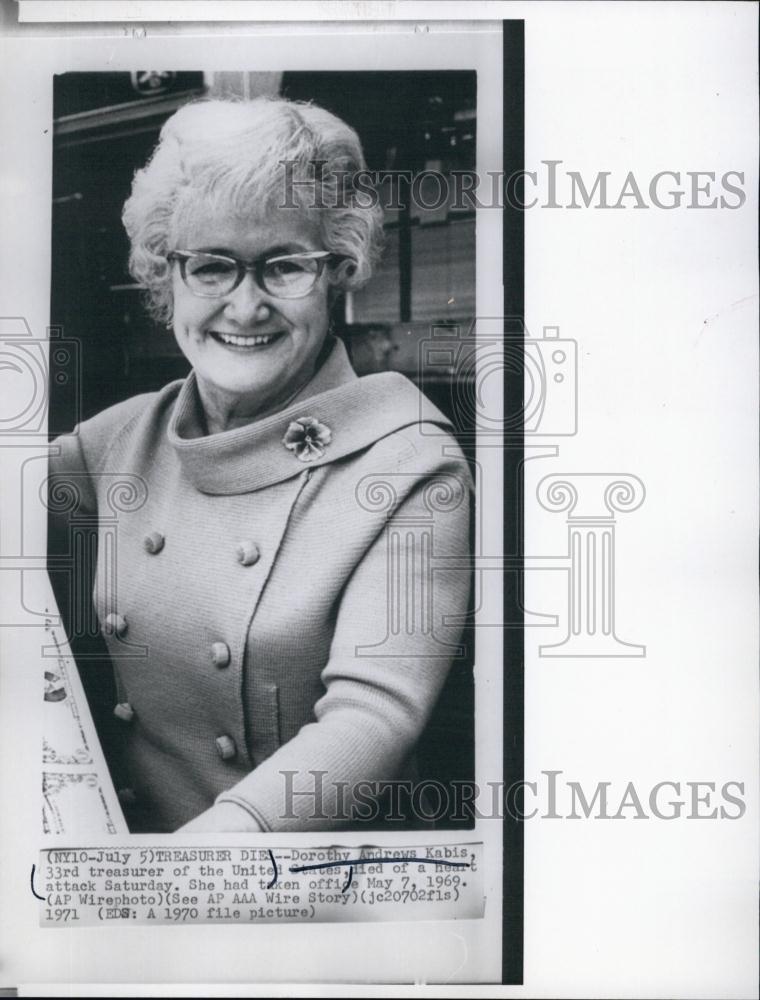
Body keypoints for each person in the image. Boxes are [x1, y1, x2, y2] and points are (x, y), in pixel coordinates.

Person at [47, 96, 472, 833]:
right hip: (131, 856)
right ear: (165, 275)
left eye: (284, 267)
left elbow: (373, 716)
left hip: (287, 884)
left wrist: (199, 869)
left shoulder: (411, 461)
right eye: (211, 266)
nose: (244, 308)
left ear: (339, 269)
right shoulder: (120, 441)